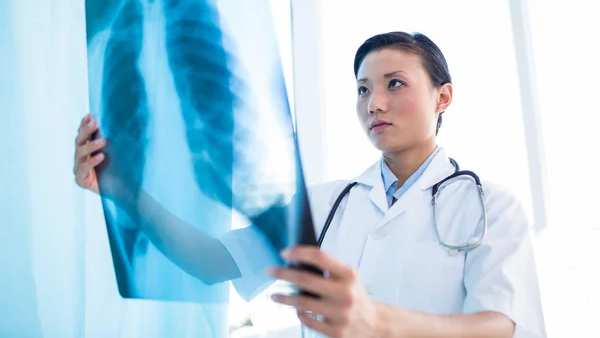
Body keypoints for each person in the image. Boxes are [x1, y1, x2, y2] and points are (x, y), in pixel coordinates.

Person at [74, 31, 546, 337]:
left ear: (443, 97)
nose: (374, 103)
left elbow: (497, 324)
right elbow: (209, 261)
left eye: (394, 84)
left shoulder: (490, 206)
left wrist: (373, 320)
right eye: (363, 89)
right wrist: (121, 190)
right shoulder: (324, 203)